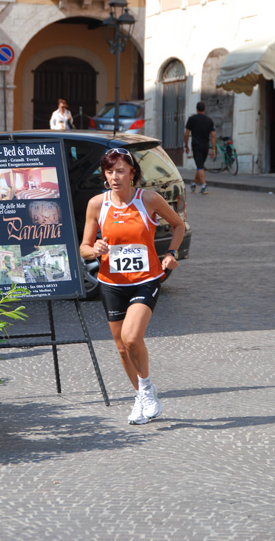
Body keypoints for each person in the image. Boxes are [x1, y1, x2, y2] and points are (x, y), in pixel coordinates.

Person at [80, 147, 185, 425]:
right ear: (104, 174)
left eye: (121, 171)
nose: (115, 176)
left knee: (132, 337)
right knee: (122, 348)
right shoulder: (97, 204)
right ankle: (141, 396)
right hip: (111, 283)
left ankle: (147, 388)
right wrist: (95, 249)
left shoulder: (149, 199)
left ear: (133, 173)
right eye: (110, 171)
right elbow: (84, 248)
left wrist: (171, 254)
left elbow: (178, 225)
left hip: (146, 279)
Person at [184, 101, 216, 195]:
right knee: (200, 166)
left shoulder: (192, 119)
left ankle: (204, 186)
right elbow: (213, 136)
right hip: (205, 146)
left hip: (196, 146)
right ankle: (194, 184)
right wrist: (213, 149)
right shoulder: (209, 120)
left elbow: (186, 134)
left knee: (199, 166)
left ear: (196, 109)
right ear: (204, 109)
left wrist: (186, 145)